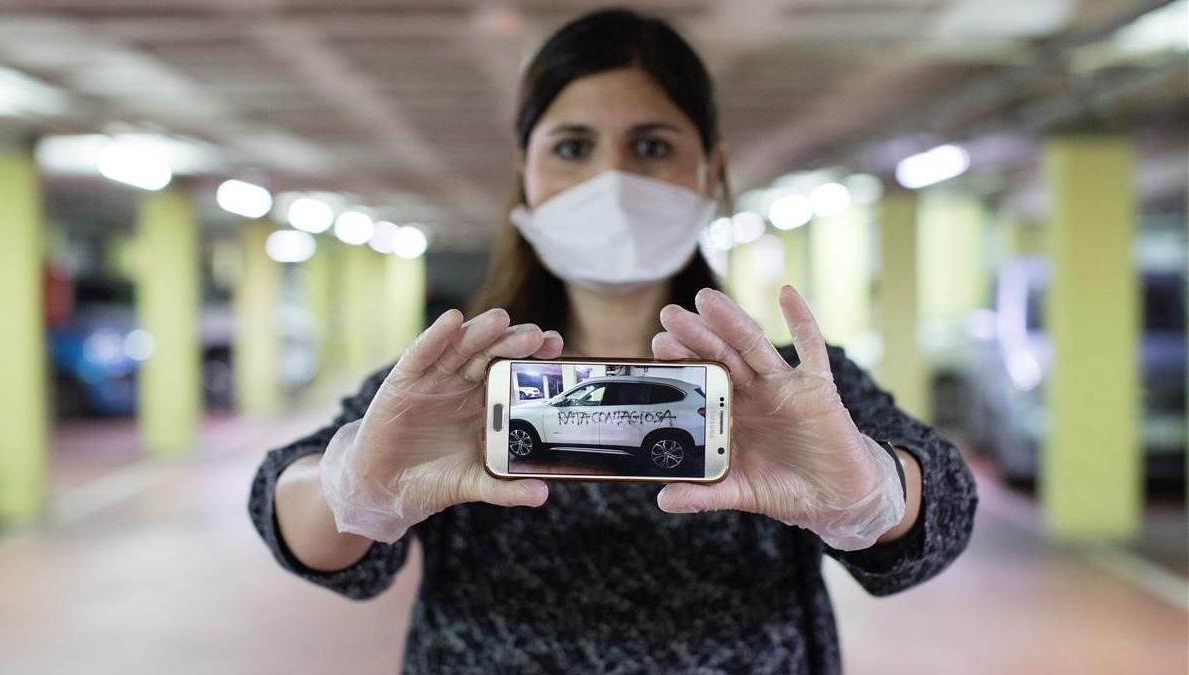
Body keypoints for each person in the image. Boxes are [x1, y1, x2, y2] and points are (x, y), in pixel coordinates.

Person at [249, 8, 976, 674]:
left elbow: (940, 512)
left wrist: (874, 496)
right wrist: (349, 490)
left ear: (710, 171)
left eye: (652, 145)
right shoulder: (452, 383)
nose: (612, 178)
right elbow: (289, 506)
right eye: (572, 146)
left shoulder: (785, 388)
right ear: (524, 175)